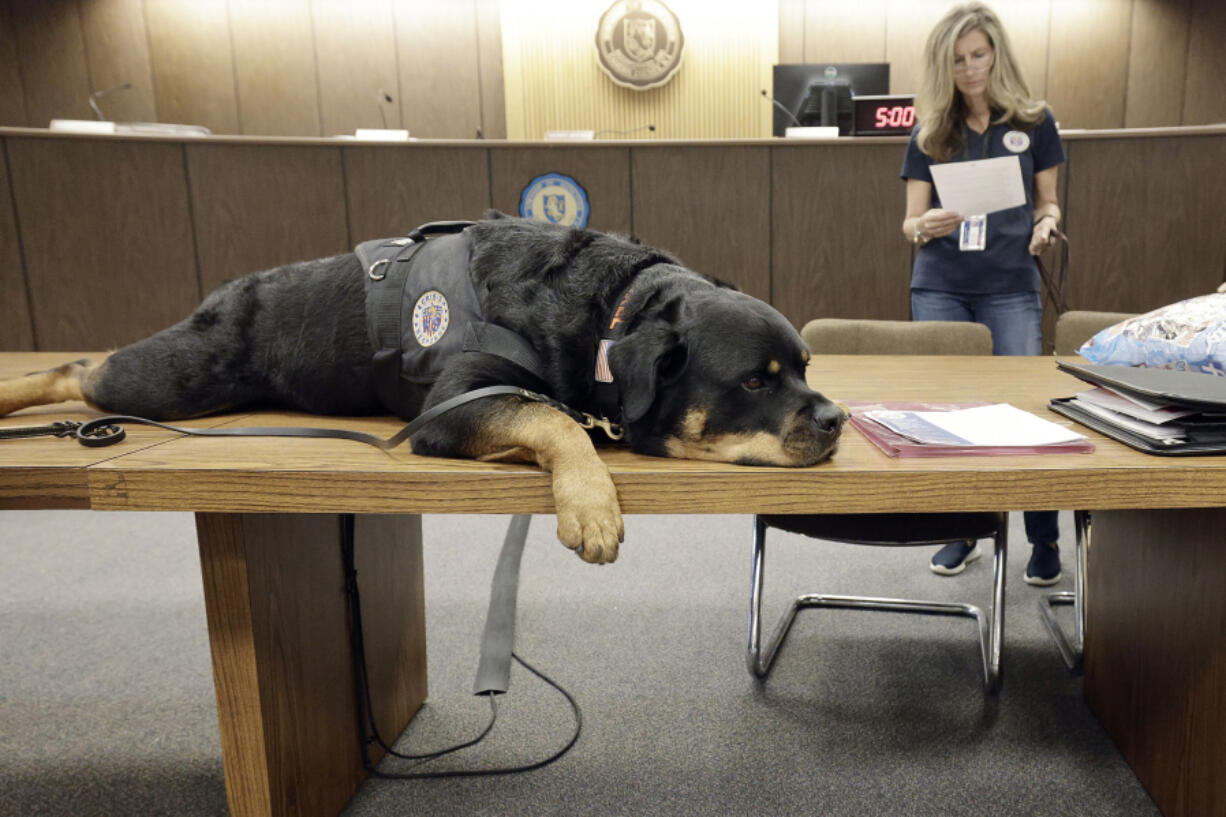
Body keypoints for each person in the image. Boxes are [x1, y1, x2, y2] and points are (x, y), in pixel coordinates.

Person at [900, 2, 1064, 586]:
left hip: (1010, 286)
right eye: (958, 60)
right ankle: (962, 529)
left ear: (996, 55)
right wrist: (926, 226)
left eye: (978, 55)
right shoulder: (931, 131)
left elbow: (1047, 202)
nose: (970, 69)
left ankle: (1042, 538)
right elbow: (909, 222)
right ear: (943, 66)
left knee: (1025, 413)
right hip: (941, 286)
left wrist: (1046, 225)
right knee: (950, 415)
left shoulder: (1036, 121)